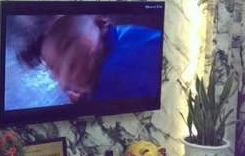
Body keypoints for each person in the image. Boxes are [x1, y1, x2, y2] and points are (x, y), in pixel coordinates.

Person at [17, 14, 161, 103]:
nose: (64, 81)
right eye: (54, 70)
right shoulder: (122, 34)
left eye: (68, 44)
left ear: (100, 23)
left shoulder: (117, 73)